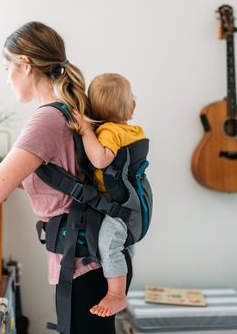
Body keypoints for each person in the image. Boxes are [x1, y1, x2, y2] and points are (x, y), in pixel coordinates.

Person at [0, 21, 132, 334]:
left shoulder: (46, 119)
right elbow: (64, 180)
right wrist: (7, 173)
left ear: (26, 65)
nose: (7, 78)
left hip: (82, 263)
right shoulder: (66, 110)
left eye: (6, 67)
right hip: (91, 259)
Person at [74, 73, 145, 318]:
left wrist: (85, 131)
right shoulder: (132, 130)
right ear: (132, 106)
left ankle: (117, 294)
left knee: (108, 243)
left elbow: (100, 159)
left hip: (119, 206)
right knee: (124, 239)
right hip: (134, 202)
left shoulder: (109, 132)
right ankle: (127, 269)